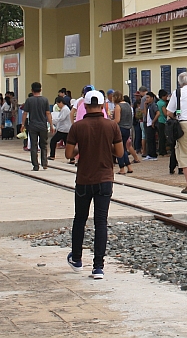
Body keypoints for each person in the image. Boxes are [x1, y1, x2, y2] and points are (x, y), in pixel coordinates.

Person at [65, 89, 124, 280]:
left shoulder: (77, 127)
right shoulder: (111, 126)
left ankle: (77, 259)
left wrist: (81, 147)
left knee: (80, 219)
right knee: (101, 222)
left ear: (85, 106)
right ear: (102, 105)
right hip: (105, 178)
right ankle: (98, 266)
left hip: (84, 179)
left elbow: (68, 154)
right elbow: (120, 153)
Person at [20, 82, 52, 171]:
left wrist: (23, 124)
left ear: (31, 90)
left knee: (34, 146)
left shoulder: (29, 100)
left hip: (32, 126)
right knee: (44, 145)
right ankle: (44, 163)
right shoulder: (45, 100)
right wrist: (51, 125)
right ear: (40, 90)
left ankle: (35, 165)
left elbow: (25, 113)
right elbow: (48, 113)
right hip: (43, 125)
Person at [113, 91, 133, 174]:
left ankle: (122, 168)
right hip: (127, 129)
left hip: (120, 129)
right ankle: (129, 166)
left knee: (119, 149)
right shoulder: (128, 105)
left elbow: (117, 120)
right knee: (124, 148)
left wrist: (110, 122)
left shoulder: (118, 106)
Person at [49, 96, 73, 161]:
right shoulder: (64, 109)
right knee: (67, 144)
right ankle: (72, 158)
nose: (58, 106)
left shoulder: (65, 109)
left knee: (53, 141)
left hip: (63, 129)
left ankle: (52, 155)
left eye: (58, 104)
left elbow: (61, 119)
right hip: (64, 129)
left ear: (61, 102)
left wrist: (52, 120)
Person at [141, 90, 158, 160]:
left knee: (151, 140)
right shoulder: (149, 106)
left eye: (148, 98)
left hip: (151, 124)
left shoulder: (154, 105)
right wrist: (145, 106)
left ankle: (153, 154)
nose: (146, 99)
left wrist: (153, 121)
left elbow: (158, 113)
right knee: (149, 139)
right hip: (147, 124)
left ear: (152, 98)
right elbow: (145, 114)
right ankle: (149, 153)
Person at [156, 89, 170, 157]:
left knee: (160, 137)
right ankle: (163, 152)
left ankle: (161, 150)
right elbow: (165, 113)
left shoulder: (158, 102)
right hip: (162, 121)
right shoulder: (163, 103)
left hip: (159, 120)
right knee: (163, 137)